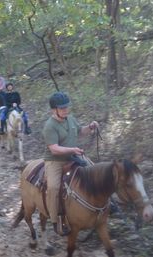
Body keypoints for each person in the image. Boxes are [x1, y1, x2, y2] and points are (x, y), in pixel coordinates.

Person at [42, 91, 99, 236]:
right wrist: (72, 149)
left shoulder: (70, 118)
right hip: (55, 161)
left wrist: (90, 127)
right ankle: (55, 220)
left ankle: (101, 206)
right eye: (62, 108)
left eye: (67, 107)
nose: (66, 110)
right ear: (54, 110)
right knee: (54, 188)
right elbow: (54, 149)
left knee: (96, 172)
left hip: (73, 156)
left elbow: (80, 131)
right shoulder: (50, 126)